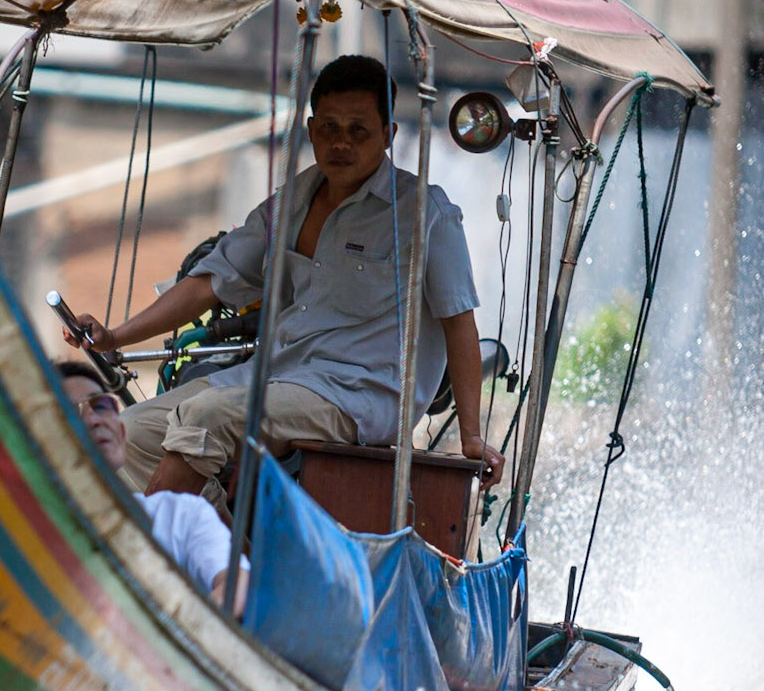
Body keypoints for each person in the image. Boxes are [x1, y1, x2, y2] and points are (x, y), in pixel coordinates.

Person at [66, 53, 505, 498]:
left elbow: (458, 322)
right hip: (273, 377)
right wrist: (115, 337)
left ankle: (174, 547)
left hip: (358, 397)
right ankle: (214, 531)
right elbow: (210, 281)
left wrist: (471, 435)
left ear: (389, 136)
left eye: (359, 131)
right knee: (125, 431)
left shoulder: (426, 213)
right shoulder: (291, 201)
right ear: (313, 131)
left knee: (206, 415)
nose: (341, 144)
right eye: (330, 129)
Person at [58, 358, 248, 617]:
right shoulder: (30, 525)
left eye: (101, 405)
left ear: (122, 434)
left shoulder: (181, 514)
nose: (93, 419)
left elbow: (237, 586)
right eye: (70, 409)